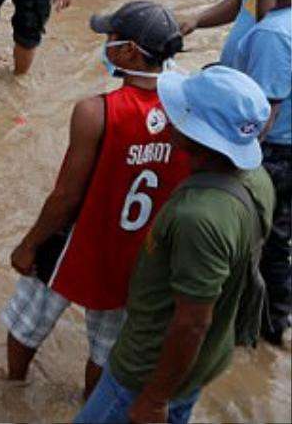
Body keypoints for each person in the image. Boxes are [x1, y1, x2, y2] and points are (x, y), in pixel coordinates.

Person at [4, 0, 188, 399]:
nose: (105, 45)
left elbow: (67, 195)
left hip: (77, 243)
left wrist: (29, 244)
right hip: (139, 254)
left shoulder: (96, 111)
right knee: (109, 349)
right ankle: (92, 409)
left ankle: (12, 387)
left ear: (129, 52)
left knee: (28, 320)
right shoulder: (189, 111)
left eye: (111, 38)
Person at [74, 65, 275, 424]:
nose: (168, 114)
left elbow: (192, 323)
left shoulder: (197, 218)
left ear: (199, 135)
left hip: (145, 374)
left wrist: (153, 398)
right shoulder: (257, 181)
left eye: (180, 112)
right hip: (200, 362)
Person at [222, 0, 291, 346]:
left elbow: (260, 119)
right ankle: (272, 327)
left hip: (270, 155)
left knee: (251, 243)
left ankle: (250, 327)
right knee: (276, 239)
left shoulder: (272, 35)